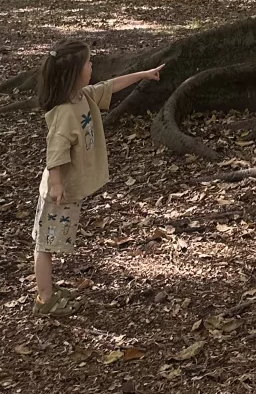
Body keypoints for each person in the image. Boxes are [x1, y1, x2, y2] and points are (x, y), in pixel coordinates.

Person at [32, 38, 163, 316]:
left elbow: (111, 85)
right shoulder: (66, 112)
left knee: (50, 241)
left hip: (66, 189)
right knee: (45, 244)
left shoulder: (82, 98)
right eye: (88, 63)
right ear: (74, 73)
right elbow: (55, 151)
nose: (93, 65)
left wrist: (143, 75)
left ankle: (48, 292)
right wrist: (56, 184)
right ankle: (44, 300)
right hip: (59, 191)